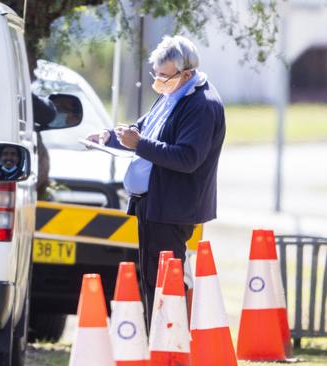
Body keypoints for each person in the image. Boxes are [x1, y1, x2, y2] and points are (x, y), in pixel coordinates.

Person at [86, 35, 226, 328]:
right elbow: (143, 129)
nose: (159, 81)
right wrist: (109, 137)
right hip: (153, 205)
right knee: (153, 276)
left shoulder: (200, 104)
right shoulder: (173, 93)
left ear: (186, 74)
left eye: (164, 75)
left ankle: (168, 344)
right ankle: (159, 343)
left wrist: (139, 145)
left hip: (171, 207)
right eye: (156, 74)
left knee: (166, 279)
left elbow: (187, 157)